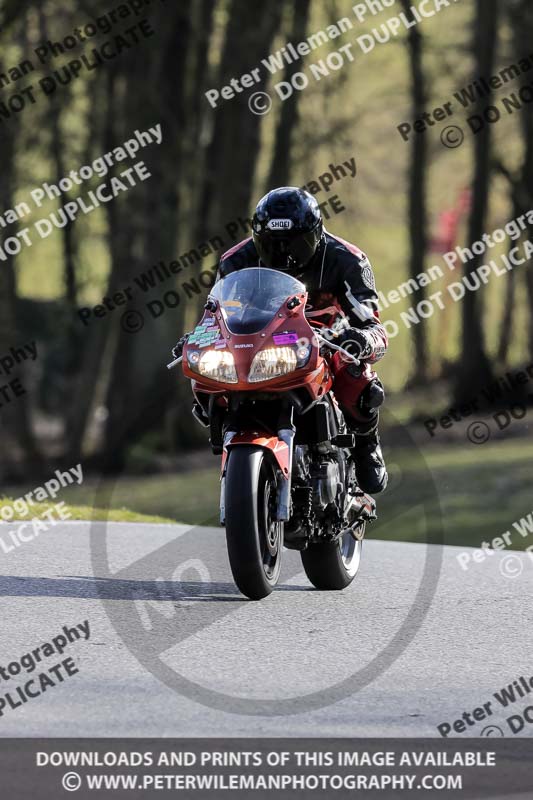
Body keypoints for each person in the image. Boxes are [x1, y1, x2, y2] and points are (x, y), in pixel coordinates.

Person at [174, 187, 388, 494]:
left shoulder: (348, 260)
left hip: (325, 339)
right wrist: (198, 337)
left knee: (358, 375)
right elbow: (217, 313)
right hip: (262, 342)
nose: (285, 252)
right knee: (207, 373)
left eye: (295, 243)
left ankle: (367, 445)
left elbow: (372, 322)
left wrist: (363, 338)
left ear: (316, 235)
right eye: (272, 244)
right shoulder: (236, 259)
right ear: (258, 238)